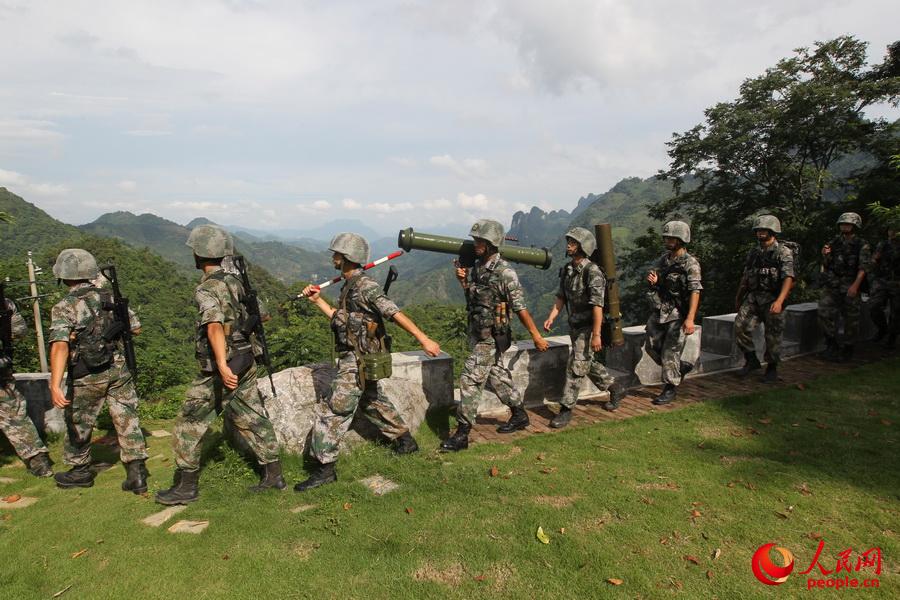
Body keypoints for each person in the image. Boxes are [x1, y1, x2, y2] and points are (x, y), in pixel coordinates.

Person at [294, 233, 441, 491]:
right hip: (358, 355)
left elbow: (393, 312)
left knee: (334, 411)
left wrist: (424, 339)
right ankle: (405, 441)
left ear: (347, 258)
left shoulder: (366, 287)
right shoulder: (350, 286)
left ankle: (324, 469)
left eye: (336, 254)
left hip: (359, 359)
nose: (333, 257)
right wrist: (317, 301)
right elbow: (338, 317)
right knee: (372, 400)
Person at [156, 225, 284, 505]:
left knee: (189, 421)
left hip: (223, 364)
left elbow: (213, 326)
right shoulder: (237, 281)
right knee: (252, 414)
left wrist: (223, 366)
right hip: (246, 358)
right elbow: (263, 315)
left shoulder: (207, 287)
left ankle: (186, 487)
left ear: (199, 255)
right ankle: (274, 474)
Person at [441, 219, 549, 452]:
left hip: (491, 336)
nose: (476, 244)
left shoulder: (505, 273)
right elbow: (476, 300)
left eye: (481, 241)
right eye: (476, 240)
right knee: (497, 376)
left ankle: (462, 434)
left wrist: (536, 335)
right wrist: (463, 282)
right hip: (479, 331)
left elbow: (520, 308)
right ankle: (519, 414)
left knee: (470, 379)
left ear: (492, 244)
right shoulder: (480, 267)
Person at [48, 249, 148, 492]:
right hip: (117, 367)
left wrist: (54, 383)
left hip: (86, 374)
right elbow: (135, 328)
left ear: (64, 275)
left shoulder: (65, 306)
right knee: (126, 418)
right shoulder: (109, 297)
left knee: (79, 422)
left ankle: (80, 471)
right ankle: (137, 473)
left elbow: (59, 346)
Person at [542, 227, 626, 424]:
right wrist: (551, 317)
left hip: (589, 327)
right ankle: (614, 387)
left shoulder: (593, 272)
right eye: (569, 242)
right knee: (586, 363)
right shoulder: (569, 270)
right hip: (575, 326)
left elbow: (598, 306)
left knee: (575, 367)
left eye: (573, 242)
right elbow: (561, 297)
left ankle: (566, 409)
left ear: (583, 247)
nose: (568, 245)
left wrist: (597, 334)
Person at [644, 221, 702, 405]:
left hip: (678, 313)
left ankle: (670, 388)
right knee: (651, 345)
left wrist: (690, 318)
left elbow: (695, 291)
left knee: (671, 350)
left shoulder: (690, 264)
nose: (667, 240)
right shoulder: (664, 260)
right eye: (667, 237)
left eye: (672, 238)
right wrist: (654, 281)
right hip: (661, 310)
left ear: (681, 239)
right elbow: (658, 278)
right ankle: (677, 369)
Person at [733, 215, 795, 382]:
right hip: (753, 297)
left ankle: (772, 367)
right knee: (740, 326)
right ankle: (751, 359)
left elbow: (788, 278)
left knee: (773, 335)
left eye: (764, 230)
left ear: (772, 231)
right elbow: (746, 276)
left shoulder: (782, 252)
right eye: (758, 230)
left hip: (773, 298)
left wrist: (780, 301)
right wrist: (739, 296)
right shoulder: (754, 252)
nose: (760, 233)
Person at [0, 290, 53, 477]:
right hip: (2, 371)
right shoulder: (5, 304)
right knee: (14, 416)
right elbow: (20, 331)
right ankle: (39, 462)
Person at [818, 212, 871, 362]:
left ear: (855, 226)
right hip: (833, 283)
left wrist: (855, 286)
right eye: (842, 224)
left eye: (848, 224)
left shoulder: (862, 244)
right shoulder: (834, 242)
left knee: (851, 318)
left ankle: (848, 348)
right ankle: (831, 344)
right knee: (823, 311)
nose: (844, 227)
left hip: (851, 283)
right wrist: (825, 255)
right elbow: (827, 264)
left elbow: (863, 267)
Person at [869, 225, 899, 350]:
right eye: (891, 229)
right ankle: (883, 329)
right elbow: (874, 259)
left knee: (897, 312)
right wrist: (874, 262)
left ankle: (892, 337)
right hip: (882, 280)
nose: (892, 232)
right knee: (874, 306)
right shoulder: (883, 244)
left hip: (898, 281)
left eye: (896, 230)